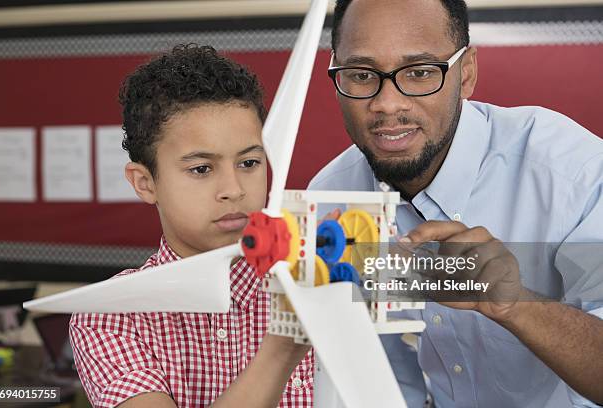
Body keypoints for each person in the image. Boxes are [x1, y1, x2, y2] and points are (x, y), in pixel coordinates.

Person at [309, 0, 603, 407]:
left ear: (466, 74)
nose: (388, 104)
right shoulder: (331, 203)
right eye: (361, 75)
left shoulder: (572, 174)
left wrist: (514, 302)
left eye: (419, 73)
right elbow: (378, 382)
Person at [69, 44, 314, 408]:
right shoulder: (110, 315)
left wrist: (427, 265)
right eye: (201, 169)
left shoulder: (319, 273)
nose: (234, 190)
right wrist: (283, 346)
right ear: (144, 182)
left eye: (249, 163)